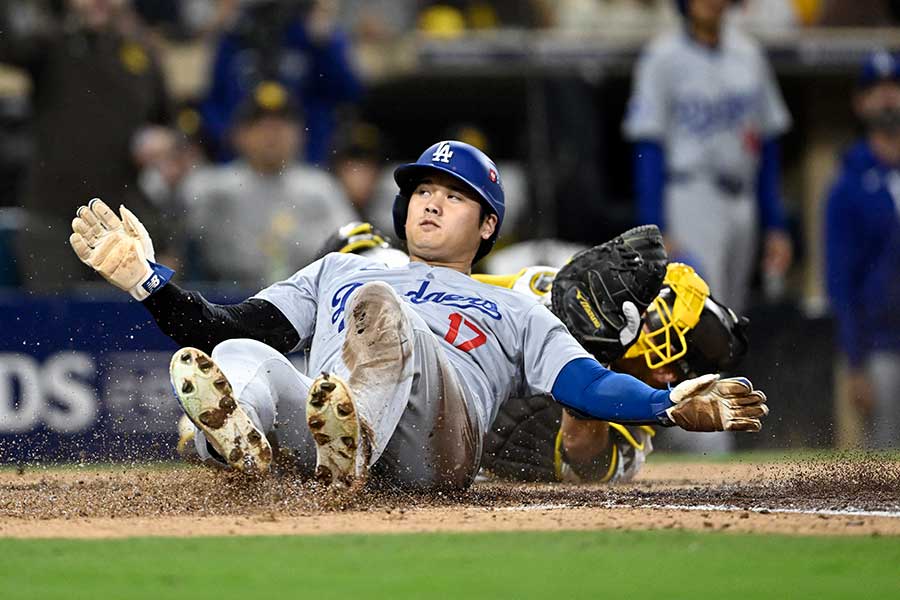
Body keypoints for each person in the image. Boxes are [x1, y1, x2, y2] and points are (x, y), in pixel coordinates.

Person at [68, 140, 768, 491]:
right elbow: (228, 325)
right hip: (337, 417)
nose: (431, 202)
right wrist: (147, 283)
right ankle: (247, 446)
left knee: (382, 311)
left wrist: (667, 403)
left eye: (453, 196)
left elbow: (582, 384)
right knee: (238, 359)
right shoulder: (340, 267)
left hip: (439, 440)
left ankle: (344, 440)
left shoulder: (514, 304)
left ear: (488, 225)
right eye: (423, 189)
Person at [482, 262, 749, 483]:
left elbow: (581, 450)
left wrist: (593, 350)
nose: (640, 316)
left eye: (652, 323)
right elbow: (457, 287)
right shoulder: (562, 290)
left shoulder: (632, 441)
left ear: (665, 371)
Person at [623, 0, 793, 314]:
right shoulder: (661, 57)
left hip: (743, 199)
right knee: (699, 313)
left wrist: (775, 224)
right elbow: (648, 145)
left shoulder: (749, 54)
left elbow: (767, 142)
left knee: (732, 314)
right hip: (692, 197)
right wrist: (654, 227)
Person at [0, 0, 172, 290]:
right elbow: (9, 47)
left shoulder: (140, 54)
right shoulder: (51, 45)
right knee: (53, 318)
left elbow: (168, 122)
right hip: (52, 217)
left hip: (119, 215)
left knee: (124, 316)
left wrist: (160, 140)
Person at [182, 81, 356, 287]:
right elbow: (181, 249)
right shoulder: (212, 188)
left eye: (281, 125)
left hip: (306, 297)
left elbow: (354, 249)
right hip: (229, 299)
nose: (271, 135)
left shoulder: (321, 188)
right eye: (260, 126)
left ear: (300, 134)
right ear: (238, 135)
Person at [825, 50, 900, 449]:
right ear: (860, 102)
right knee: (886, 464)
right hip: (882, 347)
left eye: (894, 87)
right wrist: (854, 360)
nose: (888, 98)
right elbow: (840, 278)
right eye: (877, 90)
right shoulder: (849, 183)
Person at [201, 0, 361, 164]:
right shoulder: (235, 34)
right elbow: (214, 101)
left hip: (306, 160)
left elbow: (348, 93)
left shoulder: (313, 31)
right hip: (241, 163)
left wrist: (326, 46)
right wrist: (228, 133)